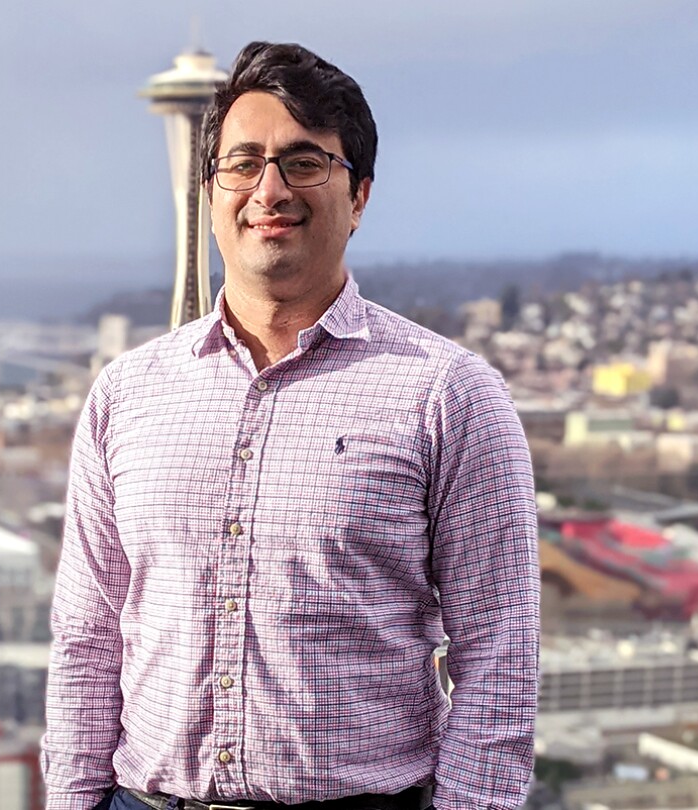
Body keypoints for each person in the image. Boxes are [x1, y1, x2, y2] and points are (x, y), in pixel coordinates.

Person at [42, 41, 539, 810]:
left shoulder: (448, 394)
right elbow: (87, 639)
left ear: (361, 195)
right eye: (243, 164)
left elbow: (500, 656)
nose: (268, 189)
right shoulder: (127, 395)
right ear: (209, 194)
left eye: (306, 162)